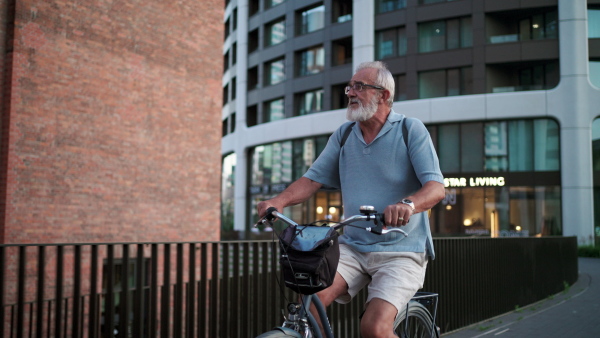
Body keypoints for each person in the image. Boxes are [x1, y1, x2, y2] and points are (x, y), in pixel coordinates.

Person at [257, 61, 445, 338]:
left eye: (360, 86)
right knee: (309, 304)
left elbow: (436, 187)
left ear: (384, 95)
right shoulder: (345, 135)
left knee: (373, 328)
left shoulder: (409, 129)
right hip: (353, 247)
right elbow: (312, 180)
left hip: (402, 251)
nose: (350, 93)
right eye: (350, 87)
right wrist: (280, 200)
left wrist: (408, 204)